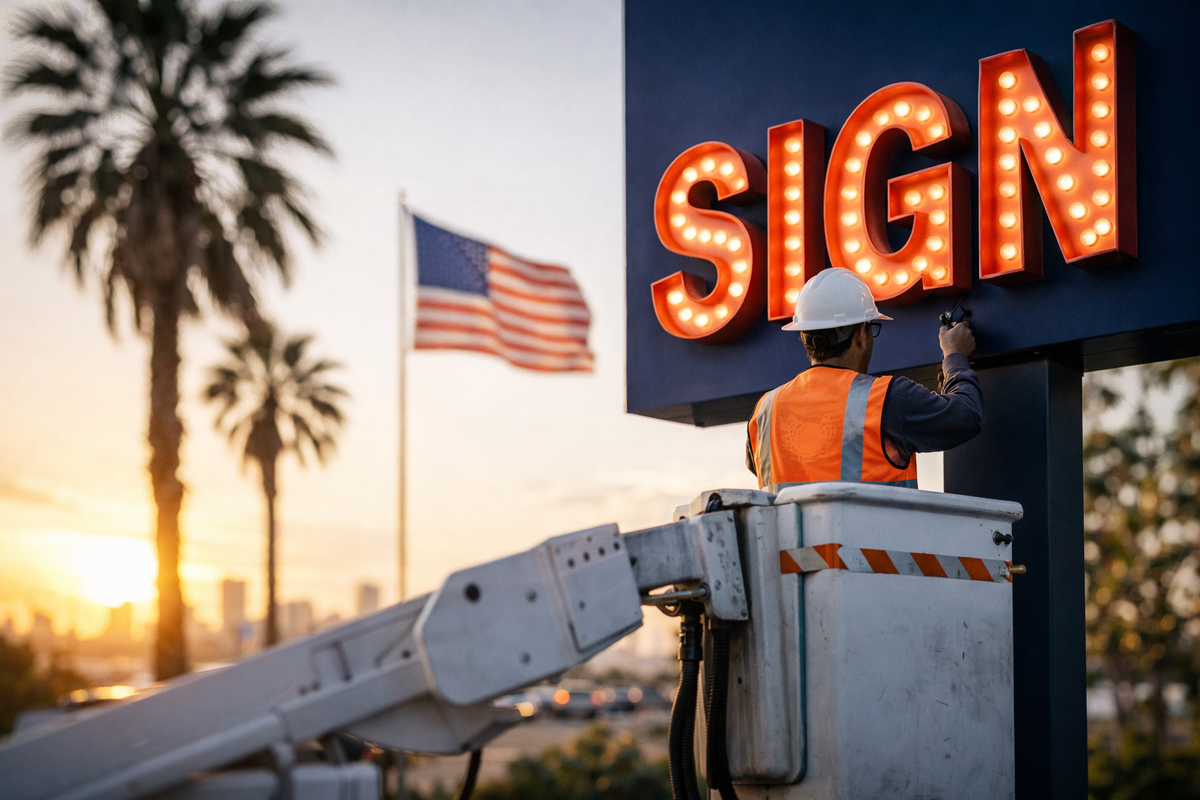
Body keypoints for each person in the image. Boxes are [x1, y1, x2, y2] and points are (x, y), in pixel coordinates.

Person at [746, 268, 982, 492]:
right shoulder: (887, 398)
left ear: (804, 335)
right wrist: (955, 355)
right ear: (861, 335)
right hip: (871, 525)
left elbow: (759, 464)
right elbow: (966, 415)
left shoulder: (766, 409)